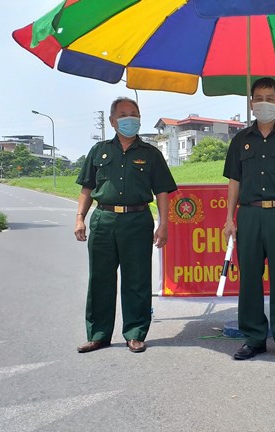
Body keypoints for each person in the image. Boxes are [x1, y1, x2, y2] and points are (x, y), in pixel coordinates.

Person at [74, 96, 177, 354]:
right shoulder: (98, 151)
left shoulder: (151, 154)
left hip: (137, 220)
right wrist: (79, 218)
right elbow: (87, 188)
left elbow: (162, 192)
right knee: (100, 279)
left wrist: (163, 224)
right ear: (112, 121)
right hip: (104, 220)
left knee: (137, 279)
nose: (129, 119)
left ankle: (135, 333)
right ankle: (98, 335)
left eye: (134, 114)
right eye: (123, 115)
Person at [222, 77, 275, 364]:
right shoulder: (240, 140)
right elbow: (234, 182)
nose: (264, 103)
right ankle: (254, 338)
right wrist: (229, 219)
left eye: (270, 99)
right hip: (249, 215)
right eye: (259, 98)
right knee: (249, 278)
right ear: (251, 103)